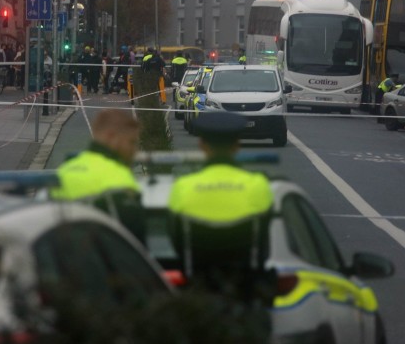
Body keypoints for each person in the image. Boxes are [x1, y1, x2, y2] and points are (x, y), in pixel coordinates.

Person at [168, 111, 275, 308]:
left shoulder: (182, 187)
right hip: (244, 298)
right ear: (237, 146)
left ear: (202, 145)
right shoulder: (258, 186)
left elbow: (176, 240)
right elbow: (264, 241)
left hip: (197, 298)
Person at [50, 108, 145, 241]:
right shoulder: (120, 180)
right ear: (111, 137)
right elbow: (133, 243)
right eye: (131, 142)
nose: (134, 151)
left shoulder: (64, 170)